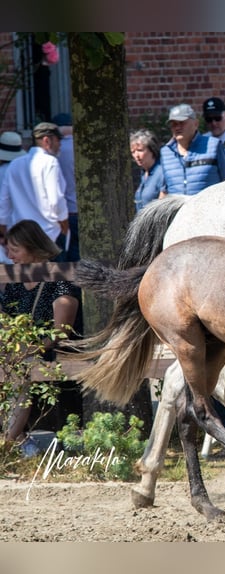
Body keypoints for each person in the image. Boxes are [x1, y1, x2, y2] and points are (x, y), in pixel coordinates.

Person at [0, 220, 80, 455]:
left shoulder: (58, 279)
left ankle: (8, 442)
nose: (9, 255)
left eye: (15, 249)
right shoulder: (15, 281)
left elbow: (60, 330)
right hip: (16, 349)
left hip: (46, 351)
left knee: (20, 371)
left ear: (32, 247)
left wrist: (30, 348)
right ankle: (20, 441)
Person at [0, 122, 68, 259]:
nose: (60, 144)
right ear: (47, 140)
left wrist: (4, 234)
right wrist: (65, 226)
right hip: (48, 236)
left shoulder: (14, 164)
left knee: (23, 277)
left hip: (20, 237)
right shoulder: (50, 162)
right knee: (55, 276)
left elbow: (4, 205)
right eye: (58, 140)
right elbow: (55, 201)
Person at [159, 103, 225, 196]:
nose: (177, 127)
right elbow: (164, 191)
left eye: (182, 123)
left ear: (195, 124)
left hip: (209, 209)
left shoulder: (213, 146)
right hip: (178, 210)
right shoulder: (165, 152)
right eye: (173, 124)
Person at [51, 113, 78, 262]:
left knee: (66, 259)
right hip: (82, 209)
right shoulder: (82, 147)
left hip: (64, 214)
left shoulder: (56, 152)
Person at [0, 131, 26, 264]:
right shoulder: (24, 168)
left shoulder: (3, 171)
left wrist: (2, 230)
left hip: (8, 224)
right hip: (25, 223)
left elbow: (3, 202)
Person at [130, 129, 164, 211]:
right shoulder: (144, 173)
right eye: (133, 152)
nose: (136, 155)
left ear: (152, 150)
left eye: (140, 150)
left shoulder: (161, 173)